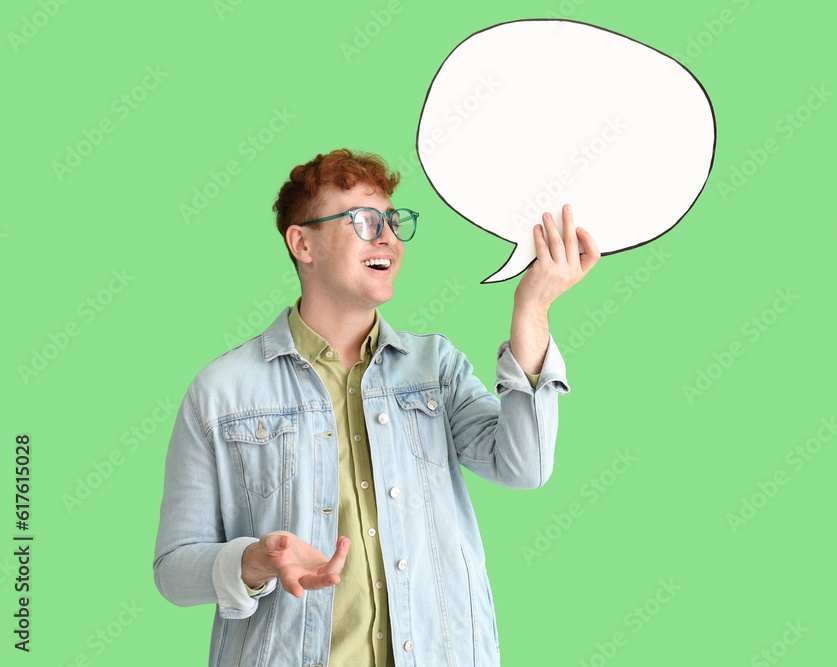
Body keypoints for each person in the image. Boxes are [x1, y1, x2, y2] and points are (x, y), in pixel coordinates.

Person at [153, 148, 599, 666]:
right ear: (302, 243)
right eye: (364, 221)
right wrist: (255, 561)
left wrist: (533, 310)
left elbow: (526, 466)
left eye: (392, 220)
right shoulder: (221, 392)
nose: (387, 237)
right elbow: (174, 571)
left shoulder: (435, 366)